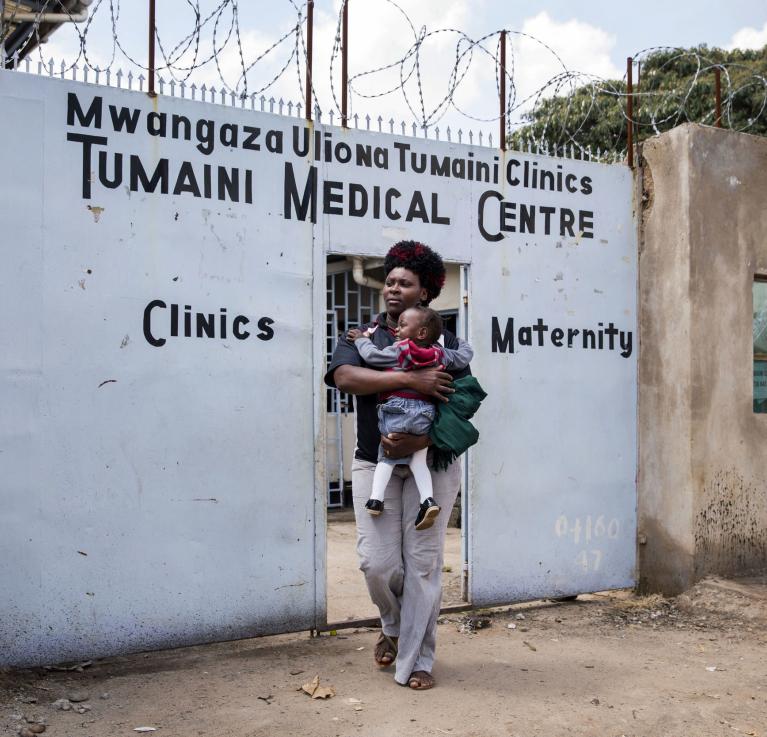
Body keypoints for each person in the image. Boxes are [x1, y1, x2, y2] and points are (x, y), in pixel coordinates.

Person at [324, 240, 469, 690]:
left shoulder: (447, 345)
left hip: (433, 460)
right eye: (389, 281)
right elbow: (346, 378)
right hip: (376, 460)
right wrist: (409, 377)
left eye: (404, 283)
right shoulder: (363, 337)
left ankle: (418, 659)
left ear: (424, 293)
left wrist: (423, 436)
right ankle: (392, 625)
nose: (392, 288)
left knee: (423, 565)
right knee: (378, 564)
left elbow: (465, 401)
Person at [345, 306, 473, 531]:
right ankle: (428, 501)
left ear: (421, 333)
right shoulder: (439, 353)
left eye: (403, 325)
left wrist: (360, 340)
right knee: (418, 461)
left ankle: (376, 498)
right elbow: (463, 358)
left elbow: (373, 356)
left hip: (396, 411)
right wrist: (462, 342)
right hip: (425, 416)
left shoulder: (402, 349)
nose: (397, 329)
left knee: (386, 456)